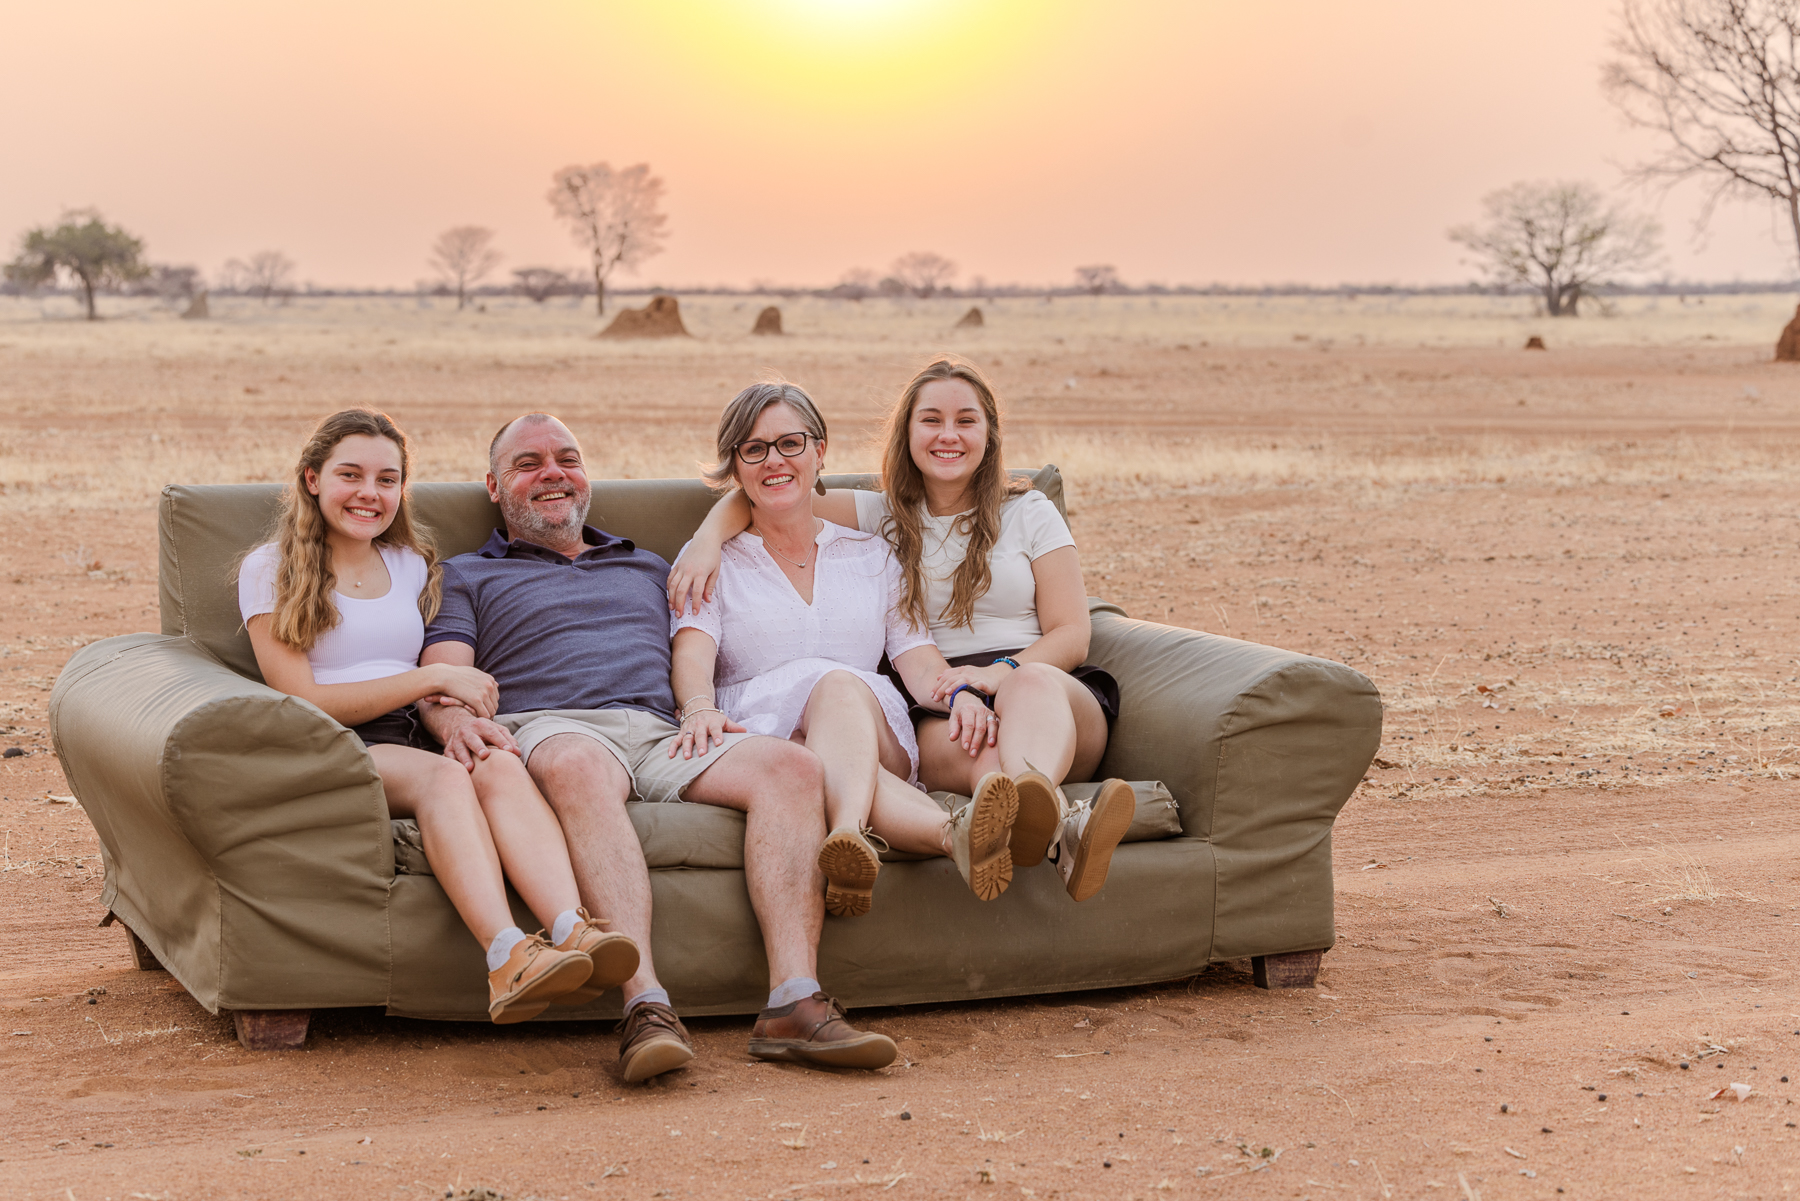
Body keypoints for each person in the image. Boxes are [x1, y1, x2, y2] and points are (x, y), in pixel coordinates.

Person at [417, 411, 898, 1082]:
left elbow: (758, 496)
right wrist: (451, 725)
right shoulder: (466, 573)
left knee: (792, 765)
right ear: (494, 487)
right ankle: (644, 1005)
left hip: (665, 730)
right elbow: (443, 679)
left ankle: (793, 1002)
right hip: (554, 726)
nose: (553, 473)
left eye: (568, 457)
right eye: (528, 464)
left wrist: (703, 545)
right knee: (578, 762)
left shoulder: (647, 562)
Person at [670, 357, 1134, 903]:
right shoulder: (885, 516)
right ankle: (1011, 832)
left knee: (1019, 689)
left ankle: (1041, 808)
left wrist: (983, 680)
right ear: (906, 434)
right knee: (950, 754)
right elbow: (775, 494)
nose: (948, 435)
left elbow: (1065, 634)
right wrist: (704, 538)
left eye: (966, 420)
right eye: (931, 419)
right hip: (903, 706)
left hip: (1029, 680)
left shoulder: (1018, 512)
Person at [239, 408, 638, 1027]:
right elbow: (303, 699)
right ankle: (507, 956)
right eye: (351, 475)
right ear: (313, 479)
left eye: (387, 479)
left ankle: (573, 934)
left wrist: (450, 717)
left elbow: (442, 665)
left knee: (496, 762)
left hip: (407, 737)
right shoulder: (271, 569)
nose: (370, 494)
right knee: (445, 779)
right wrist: (431, 679)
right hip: (323, 741)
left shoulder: (410, 564)